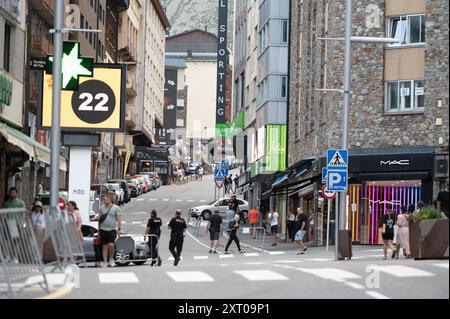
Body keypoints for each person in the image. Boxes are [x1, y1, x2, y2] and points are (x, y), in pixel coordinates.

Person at [98, 194, 122, 268]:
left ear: (109, 199)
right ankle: (105, 262)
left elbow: (119, 219)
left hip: (111, 229)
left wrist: (119, 229)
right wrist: (98, 230)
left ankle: (111, 258)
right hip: (103, 229)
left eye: (105, 199)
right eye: (103, 200)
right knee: (104, 246)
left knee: (111, 245)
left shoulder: (116, 208)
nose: (104, 201)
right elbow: (99, 219)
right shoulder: (101, 208)